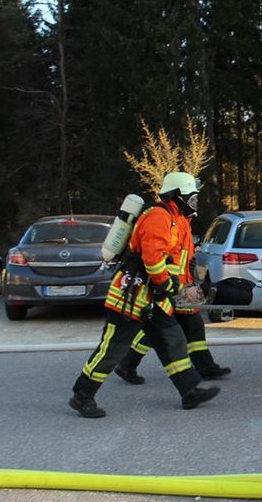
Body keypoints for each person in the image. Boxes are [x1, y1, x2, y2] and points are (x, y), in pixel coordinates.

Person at [68, 172, 220, 418]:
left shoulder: (175, 218)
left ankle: (189, 391)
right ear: (177, 196)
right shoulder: (159, 216)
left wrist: (175, 287)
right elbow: (152, 257)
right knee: (112, 349)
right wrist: (166, 283)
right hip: (132, 297)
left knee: (173, 340)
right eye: (191, 198)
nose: (194, 203)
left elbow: (175, 261)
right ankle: (82, 395)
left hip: (153, 298)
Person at [113, 211, 231, 385]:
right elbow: (165, 254)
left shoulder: (182, 221)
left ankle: (205, 367)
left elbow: (182, 256)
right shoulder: (170, 221)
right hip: (171, 285)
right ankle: (127, 364)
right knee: (159, 328)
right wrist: (172, 284)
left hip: (179, 284)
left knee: (193, 323)